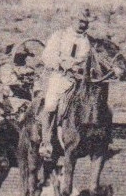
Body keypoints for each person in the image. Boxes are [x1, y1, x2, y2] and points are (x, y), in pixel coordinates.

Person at [38, 8, 96, 157]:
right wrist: (63, 64)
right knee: (51, 104)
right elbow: (47, 56)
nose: (83, 25)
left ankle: (97, 141)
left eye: (86, 22)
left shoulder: (90, 41)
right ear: (73, 20)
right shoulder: (60, 36)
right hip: (61, 77)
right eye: (80, 21)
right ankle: (46, 142)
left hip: (81, 80)